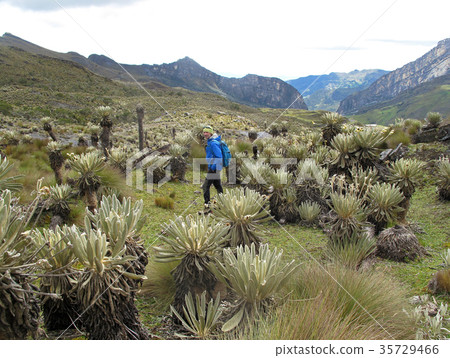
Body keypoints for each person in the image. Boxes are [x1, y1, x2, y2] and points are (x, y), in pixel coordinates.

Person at [201, 125, 223, 211]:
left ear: (211, 132)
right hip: (215, 167)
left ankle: (207, 205)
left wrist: (213, 167)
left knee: (205, 186)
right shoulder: (210, 141)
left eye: (207, 132)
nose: (205, 134)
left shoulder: (213, 143)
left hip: (214, 168)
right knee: (217, 185)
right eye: (204, 132)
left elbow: (219, 156)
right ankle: (222, 202)